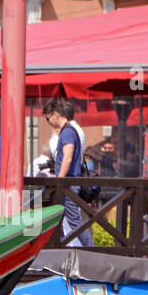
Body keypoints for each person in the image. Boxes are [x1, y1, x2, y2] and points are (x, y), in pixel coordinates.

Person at [43, 98, 94, 247]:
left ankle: (92, 250)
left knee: (74, 222)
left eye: (48, 117)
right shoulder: (71, 130)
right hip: (69, 183)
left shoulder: (67, 132)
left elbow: (68, 157)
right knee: (60, 219)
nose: (48, 121)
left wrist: (59, 180)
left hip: (68, 184)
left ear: (56, 114)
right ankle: (58, 246)